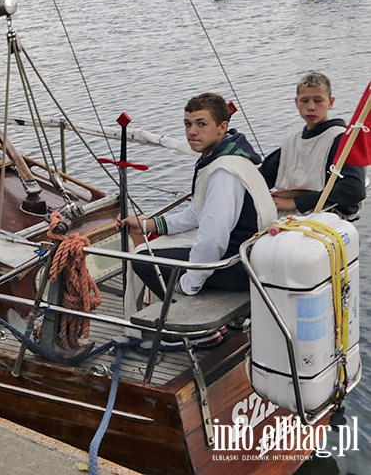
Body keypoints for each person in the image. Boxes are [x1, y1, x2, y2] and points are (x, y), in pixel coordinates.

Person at [117, 93, 276, 305]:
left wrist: (190, 283)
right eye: (187, 124)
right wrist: (150, 225)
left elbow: (214, 239)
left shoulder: (223, 172)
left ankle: (198, 332)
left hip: (238, 266)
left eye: (201, 124)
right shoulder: (233, 158)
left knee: (143, 259)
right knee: (162, 251)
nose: (192, 132)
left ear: (222, 127)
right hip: (252, 256)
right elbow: (197, 212)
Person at [260, 72, 365, 220]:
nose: (311, 107)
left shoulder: (341, 140)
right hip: (287, 219)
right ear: (296, 103)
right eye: (304, 101)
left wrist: (295, 203)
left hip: (327, 219)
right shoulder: (291, 142)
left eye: (318, 100)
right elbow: (262, 177)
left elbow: (354, 189)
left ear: (331, 102)